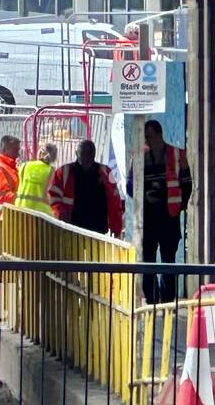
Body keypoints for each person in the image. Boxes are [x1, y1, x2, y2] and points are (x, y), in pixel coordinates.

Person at [127, 119, 192, 306]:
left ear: (159, 135)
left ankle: (167, 300)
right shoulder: (139, 156)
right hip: (147, 219)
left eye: (149, 136)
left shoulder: (178, 155)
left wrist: (179, 207)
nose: (146, 140)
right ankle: (152, 299)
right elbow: (130, 187)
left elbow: (187, 184)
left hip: (168, 218)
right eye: (144, 137)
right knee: (148, 260)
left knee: (168, 260)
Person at [48, 140, 124, 237]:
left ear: (94, 153)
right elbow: (53, 196)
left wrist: (116, 227)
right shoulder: (63, 172)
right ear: (76, 153)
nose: (87, 157)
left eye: (90, 153)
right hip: (73, 229)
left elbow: (115, 200)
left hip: (99, 230)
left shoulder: (106, 172)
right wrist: (61, 214)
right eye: (83, 153)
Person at [13, 142, 57, 215]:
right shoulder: (51, 171)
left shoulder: (24, 165)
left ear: (40, 152)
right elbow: (50, 195)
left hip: (20, 210)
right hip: (41, 214)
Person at [0, 135, 20, 206]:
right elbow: (1, 197)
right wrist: (23, 198)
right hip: (9, 215)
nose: (18, 154)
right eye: (15, 151)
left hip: (16, 212)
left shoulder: (10, 166)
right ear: (5, 150)